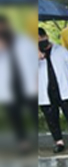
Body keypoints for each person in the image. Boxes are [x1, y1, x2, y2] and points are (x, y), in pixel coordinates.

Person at [0, 16, 38, 153]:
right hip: (8, 86)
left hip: (26, 83)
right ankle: (23, 142)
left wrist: (36, 79)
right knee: (14, 115)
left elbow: (33, 59)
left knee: (33, 112)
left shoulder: (22, 41)